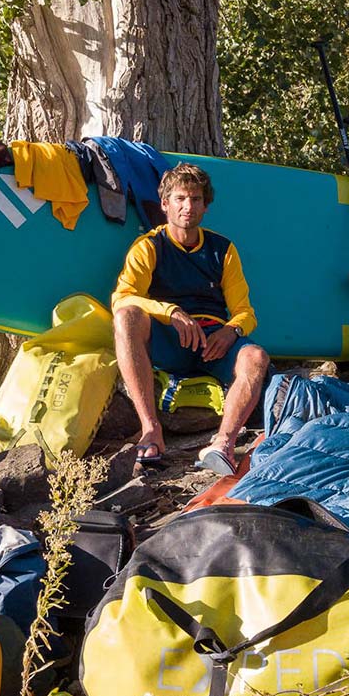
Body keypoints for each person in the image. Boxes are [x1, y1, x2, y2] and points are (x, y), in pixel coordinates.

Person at [111, 163, 271, 474]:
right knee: (127, 317)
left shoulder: (222, 249)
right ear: (165, 204)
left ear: (206, 206)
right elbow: (122, 298)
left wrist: (231, 331)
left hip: (213, 341)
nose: (188, 207)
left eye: (196, 199)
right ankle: (151, 430)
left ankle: (223, 445)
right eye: (181, 198)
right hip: (168, 339)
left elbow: (245, 311)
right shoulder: (148, 247)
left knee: (256, 356)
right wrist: (170, 312)